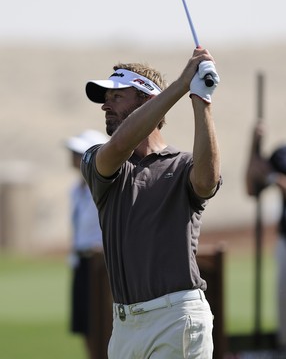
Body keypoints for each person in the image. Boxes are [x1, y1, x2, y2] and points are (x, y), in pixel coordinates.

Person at [81, 48, 222, 358]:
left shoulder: (184, 164)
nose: (105, 104)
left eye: (117, 96)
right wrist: (183, 83)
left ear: (147, 100)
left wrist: (201, 99)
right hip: (124, 327)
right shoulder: (99, 159)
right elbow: (120, 145)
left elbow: (206, 182)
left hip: (177, 317)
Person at [66, 129, 113, 359]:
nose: (73, 156)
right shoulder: (76, 191)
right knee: (85, 325)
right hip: (81, 263)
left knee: (103, 324)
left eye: (78, 152)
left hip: (102, 265)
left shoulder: (105, 188)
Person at [245, 121, 286, 351]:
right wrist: (254, 146)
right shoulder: (282, 155)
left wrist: (273, 178)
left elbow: (272, 178)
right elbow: (252, 187)